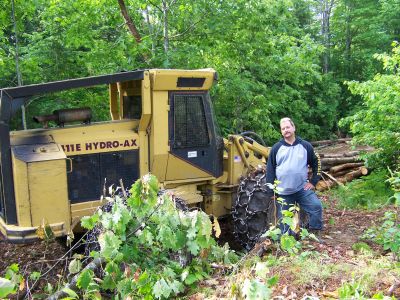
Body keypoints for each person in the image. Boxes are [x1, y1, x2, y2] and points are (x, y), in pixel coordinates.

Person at [266, 117, 323, 238]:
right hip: (283, 193)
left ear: (293, 128)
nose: (286, 130)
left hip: (302, 189)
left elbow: (316, 162)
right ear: (281, 132)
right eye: (283, 128)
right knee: (284, 222)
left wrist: (313, 182)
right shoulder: (276, 148)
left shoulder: (305, 146)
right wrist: (271, 192)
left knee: (316, 207)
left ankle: (314, 233)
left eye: (288, 127)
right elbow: (270, 170)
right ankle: (286, 243)